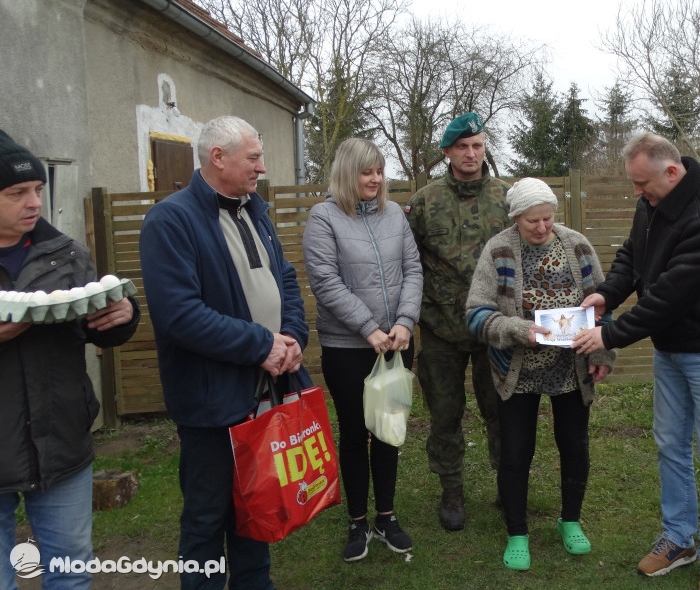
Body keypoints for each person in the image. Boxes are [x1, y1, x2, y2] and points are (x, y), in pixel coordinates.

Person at [572, 132, 700, 590]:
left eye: (641, 184)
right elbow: (634, 255)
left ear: (672, 172)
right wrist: (608, 293)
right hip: (672, 349)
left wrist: (606, 333)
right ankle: (678, 537)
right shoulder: (653, 200)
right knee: (671, 443)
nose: (636, 193)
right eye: (632, 185)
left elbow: (668, 297)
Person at [139, 116, 310, 590]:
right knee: (206, 519)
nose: (262, 166)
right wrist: (261, 344)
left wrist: (293, 336)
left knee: (254, 509)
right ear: (218, 157)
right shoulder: (171, 220)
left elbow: (286, 280)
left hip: (263, 393)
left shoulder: (255, 208)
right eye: (253, 157)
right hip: (210, 404)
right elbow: (179, 315)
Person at [0, 130, 140, 590]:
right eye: (17, 192)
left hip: (61, 444)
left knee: (70, 575)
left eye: (38, 189)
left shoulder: (66, 254)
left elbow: (96, 320)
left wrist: (122, 315)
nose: (34, 202)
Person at [466, 178, 616, 571]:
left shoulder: (577, 245)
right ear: (516, 218)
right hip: (518, 371)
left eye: (548, 219)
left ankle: (571, 522)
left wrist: (602, 350)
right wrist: (517, 329)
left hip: (571, 369)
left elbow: (603, 303)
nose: (543, 227)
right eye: (533, 221)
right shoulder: (497, 250)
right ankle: (517, 531)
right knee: (515, 452)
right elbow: (477, 313)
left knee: (574, 446)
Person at [301, 138, 422, 562]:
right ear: (346, 173)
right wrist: (368, 328)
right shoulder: (323, 218)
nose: (374, 179)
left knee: (388, 431)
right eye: (365, 171)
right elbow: (325, 281)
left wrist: (405, 322)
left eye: (379, 171)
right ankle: (357, 522)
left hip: (396, 344)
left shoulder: (395, 216)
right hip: (348, 347)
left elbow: (412, 268)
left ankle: (386, 516)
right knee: (355, 432)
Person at [404, 112, 510, 531]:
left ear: (485, 149)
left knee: (501, 412)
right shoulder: (425, 200)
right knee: (445, 414)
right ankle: (451, 489)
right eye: (462, 147)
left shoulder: (506, 197)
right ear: (447, 152)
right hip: (440, 329)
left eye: (478, 146)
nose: (470, 153)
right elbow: (406, 261)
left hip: (494, 329)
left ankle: (508, 483)